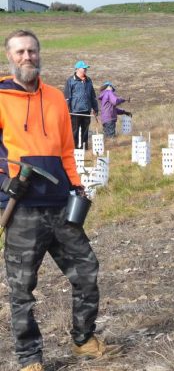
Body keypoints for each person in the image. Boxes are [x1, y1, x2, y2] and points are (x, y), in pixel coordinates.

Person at [0, 30, 120, 371]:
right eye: (20, 51)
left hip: (61, 203)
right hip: (21, 209)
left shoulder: (54, 97)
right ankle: (30, 358)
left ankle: (83, 340)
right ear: (10, 57)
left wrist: (78, 185)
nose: (27, 57)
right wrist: (5, 180)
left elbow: (67, 151)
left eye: (32, 51)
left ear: (39, 54)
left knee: (86, 270)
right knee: (22, 288)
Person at [64, 60, 98, 149]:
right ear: (77, 69)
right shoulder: (71, 80)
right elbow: (67, 97)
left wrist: (95, 108)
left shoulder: (89, 80)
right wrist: (67, 109)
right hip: (75, 111)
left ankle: (84, 148)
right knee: (74, 131)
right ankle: (74, 149)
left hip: (86, 110)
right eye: (84, 68)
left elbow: (92, 95)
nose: (86, 70)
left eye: (86, 68)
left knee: (85, 131)